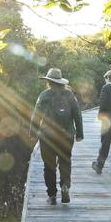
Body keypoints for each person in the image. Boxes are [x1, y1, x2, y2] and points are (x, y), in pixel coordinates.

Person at [29, 67, 84, 204]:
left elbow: (36, 115)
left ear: (48, 81)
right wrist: (79, 133)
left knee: (49, 166)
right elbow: (77, 114)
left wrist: (33, 132)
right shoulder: (70, 95)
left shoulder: (44, 95)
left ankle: (52, 196)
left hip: (47, 136)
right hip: (67, 136)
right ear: (61, 82)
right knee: (65, 162)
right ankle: (65, 188)